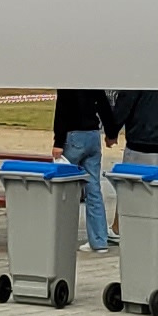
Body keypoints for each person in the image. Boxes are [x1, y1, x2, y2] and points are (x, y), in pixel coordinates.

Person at [50, 89, 113, 254]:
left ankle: (62, 238)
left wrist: (58, 142)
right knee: (94, 189)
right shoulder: (92, 81)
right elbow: (104, 106)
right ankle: (99, 240)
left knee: (65, 190)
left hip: (73, 134)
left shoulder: (68, 85)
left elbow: (62, 110)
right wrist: (111, 132)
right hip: (93, 134)